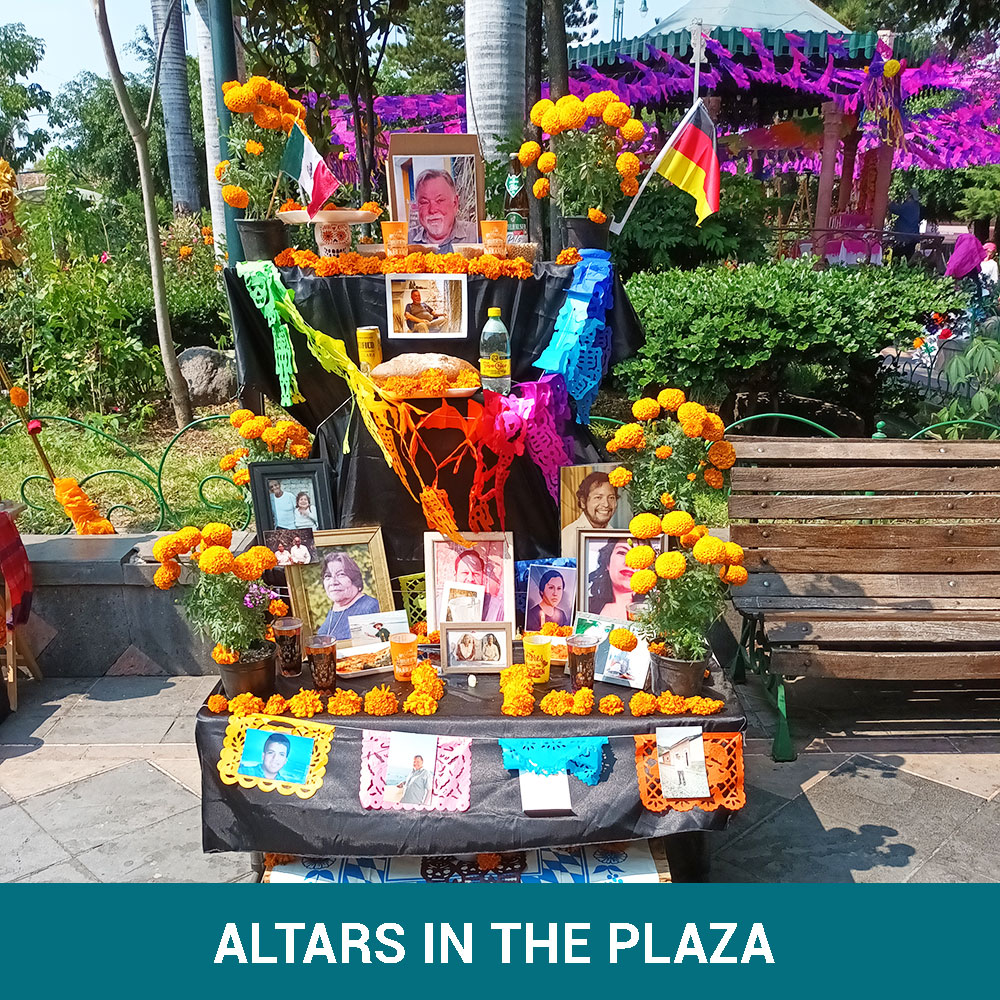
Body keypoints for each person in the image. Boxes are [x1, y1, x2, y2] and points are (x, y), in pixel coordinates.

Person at [407, 168, 478, 250]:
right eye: (424, 202)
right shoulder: (405, 241)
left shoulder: (475, 235)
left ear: (455, 203)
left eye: (440, 200)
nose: (432, 210)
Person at [318, 551, 380, 640]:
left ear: (354, 579)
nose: (333, 582)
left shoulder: (370, 607)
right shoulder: (335, 608)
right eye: (328, 576)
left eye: (341, 574)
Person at [561, 472, 619, 557]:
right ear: (583, 502)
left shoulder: (617, 537)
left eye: (611, 497)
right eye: (598, 497)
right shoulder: (569, 536)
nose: (606, 504)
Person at [588, 539, 634, 620]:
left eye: (639, 557)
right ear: (607, 563)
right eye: (622, 553)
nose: (629, 562)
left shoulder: (655, 609)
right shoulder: (586, 606)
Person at [452, 548, 502, 621]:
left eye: (476, 574)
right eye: (465, 573)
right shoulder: (440, 604)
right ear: (455, 575)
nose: (470, 579)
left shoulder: (496, 607)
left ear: (482, 577)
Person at [888, 187, 922, 260]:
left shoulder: (909, 205)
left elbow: (894, 209)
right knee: (908, 259)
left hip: (904, 238)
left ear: (910, 195)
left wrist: (891, 202)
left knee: (896, 258)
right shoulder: (916, 206)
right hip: (912, 237)